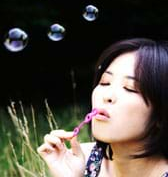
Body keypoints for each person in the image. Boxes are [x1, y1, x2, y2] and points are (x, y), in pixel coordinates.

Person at [37, 37, 168, 177]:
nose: (107, 96)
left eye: (130, 88)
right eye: (105, 82)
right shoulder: (80, 160)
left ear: (161, 115)